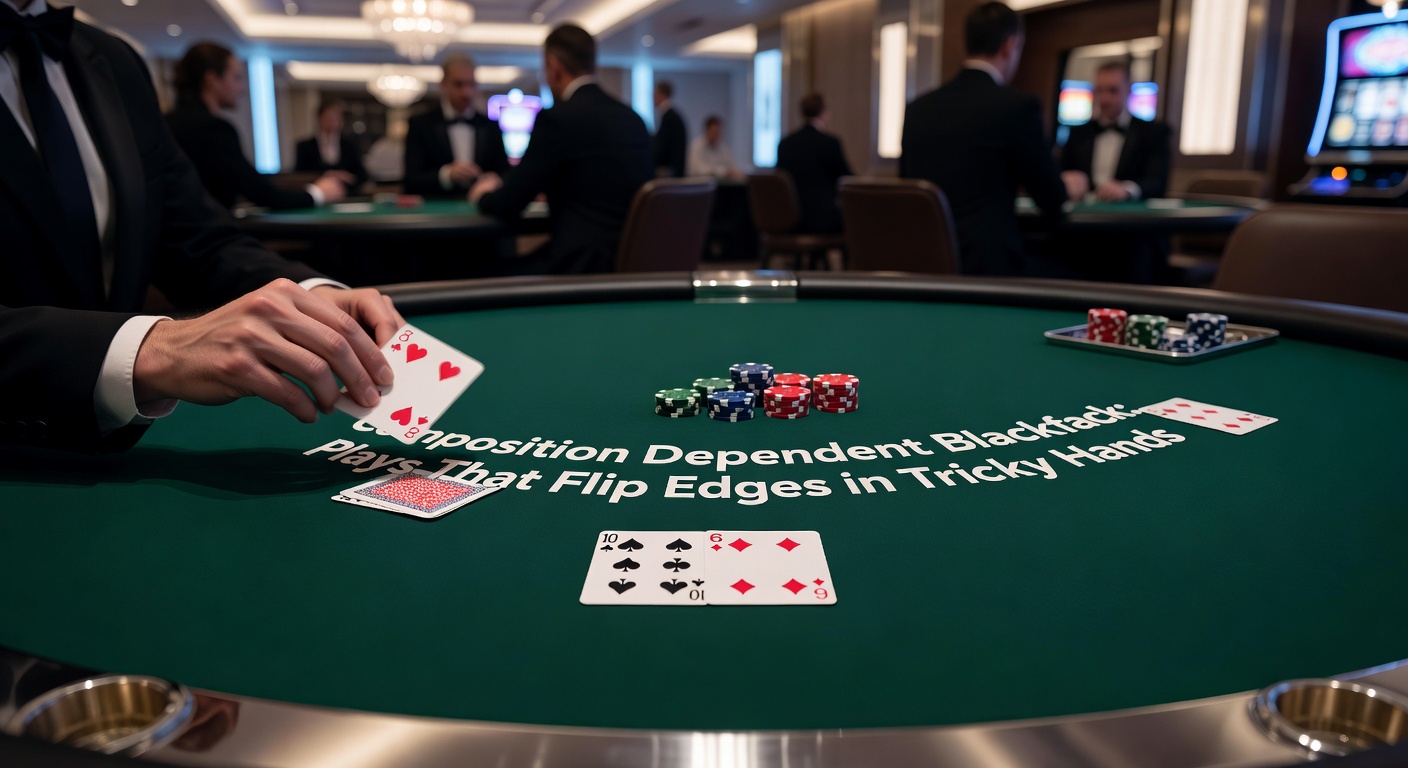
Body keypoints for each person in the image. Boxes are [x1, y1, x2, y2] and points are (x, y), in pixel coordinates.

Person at [0, 0, 403, 452]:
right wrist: (150, 350)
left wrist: (311, 295)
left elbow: (195, 234)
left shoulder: (115, 58)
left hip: (118, 452)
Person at [899, 2, 1084, 277]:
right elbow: (1051, 199)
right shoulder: (1017, 107)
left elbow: (910, 188)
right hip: (990, 270)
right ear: (1010, 45)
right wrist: (1069, 186)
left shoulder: (918, 109)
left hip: (923, 265)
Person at [470, 25, 652, 275]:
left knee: (477, 273)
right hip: (631, 269)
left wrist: (482, 193)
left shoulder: (556, 119)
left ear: (553, 65)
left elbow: (508, 203)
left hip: (576, 269)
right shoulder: (634, 119)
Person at [166, 42, 349, 211]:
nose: (242, 88)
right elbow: (263, 195)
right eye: (237, 77)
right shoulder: (213, 129)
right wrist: (317, 193)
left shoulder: (167, 122)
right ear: (212, 79)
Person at [402, 52, 509, 198]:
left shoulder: (490, 126)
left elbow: (506, 174)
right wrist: (446, 175)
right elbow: (411, 181)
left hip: (484, 211)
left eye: (471, 84)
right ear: (443, 84)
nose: (467, 93)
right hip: (437, 211)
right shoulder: (421, 124)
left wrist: (494, 179)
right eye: (459, 84)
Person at [1060, 61, 1171, 202]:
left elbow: (1157, 183)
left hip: (1130, 218)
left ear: (1128, 91)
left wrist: (1127, 189)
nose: (1105, 98)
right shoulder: (1078, 133)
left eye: (1113, 90)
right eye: (1100, 90)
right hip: (1082, 214)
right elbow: (1060, 171)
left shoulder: (1155, 132)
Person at [776, 93, 853, 234]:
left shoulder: (785, 144)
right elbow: (846, 178)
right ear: (823, 112)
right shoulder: (829, 143)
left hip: (789, 218)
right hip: (822, 219)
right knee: (855, 219)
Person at [295, 99, 369, 188]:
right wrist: (325, 176)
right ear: (319, 119)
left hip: (346, 194)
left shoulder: (350, 145)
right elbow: (299, 174)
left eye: (335, 117)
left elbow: (362, 174)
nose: (332, 121)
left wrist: (347, 176)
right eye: (328, 117)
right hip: (317, 193)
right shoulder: (305, 146)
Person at [687, 115, 742, 179]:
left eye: (719, 132)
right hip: (700, 185)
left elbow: (732, 166)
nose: (717, 135)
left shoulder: (722, 148)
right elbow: (698, 169)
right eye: (714, 132)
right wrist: (723, 171)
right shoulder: (696, 147)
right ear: (706, 130)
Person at [652, 80, 686, 178]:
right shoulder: (671, 117)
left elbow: (664, 147)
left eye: (655, 94)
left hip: (669, 175)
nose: (653, 98)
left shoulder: (670, 118)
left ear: (662, 95)